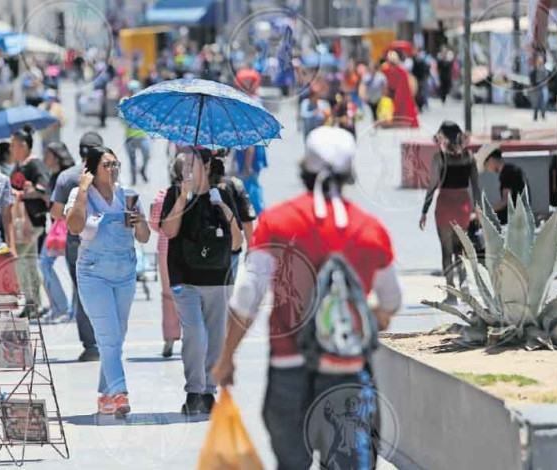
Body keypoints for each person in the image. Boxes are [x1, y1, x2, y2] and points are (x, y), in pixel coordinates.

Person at [212, 126, 402, 470]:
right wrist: (369, 316)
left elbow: (246, 298)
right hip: (346, 376)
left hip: (288, 373)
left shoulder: (277, 222)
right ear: (348, 174)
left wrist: (226, 358)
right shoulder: (371, 230)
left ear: (304, 170)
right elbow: (391, 301)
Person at [65, 146, 151, 418]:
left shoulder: (127, 195)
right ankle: (119, 392)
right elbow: (74, 227)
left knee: (117, 336)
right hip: (93, 273)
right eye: (107, 165)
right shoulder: (81, 195)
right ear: (92, 169)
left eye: (116, 164)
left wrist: (140, 222)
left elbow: (145, 237)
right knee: (108, 336)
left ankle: (104, 396)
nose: (113, 169)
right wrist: (81, 189)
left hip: (124, 272)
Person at [160, 150, 242, 415]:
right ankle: (194, 390)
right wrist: (184, 197)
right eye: (183, 164)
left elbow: (238, 243)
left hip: (218, 279)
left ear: (206, 166)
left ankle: (208, 391)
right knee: (194, 333)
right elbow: (169, 231)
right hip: (185, 278)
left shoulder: (223, 194)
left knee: (216, 338)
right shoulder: (174, 195)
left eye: (191, 164)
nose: (186, 169)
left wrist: (224, 208)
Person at [50, 132, 103, 362]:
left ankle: (90, 345)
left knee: (82, 294)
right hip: (103, 242)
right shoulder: (108, 173)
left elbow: (54, 212)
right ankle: (105, 339)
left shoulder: (66, 177)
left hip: (76, 243)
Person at [420, 121, 481, 304]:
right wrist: (478, 210)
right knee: (461, 250)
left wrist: (424, 211)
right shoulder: (469, 157)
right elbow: (477, 187)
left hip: (445, 205)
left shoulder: (439, 158)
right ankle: (465, 289)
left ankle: (451, 293)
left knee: (446, 252)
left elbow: (431, 186)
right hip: (463, 206)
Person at [9, 125, 52, 318]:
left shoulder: (35, 165)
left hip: (33, 223)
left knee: (30, 264)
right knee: (22, 265)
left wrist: (24, 193)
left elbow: (44, 189)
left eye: (14, 145)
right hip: (19, 223)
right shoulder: (19, 166)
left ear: (24, 146)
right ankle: (29, 301)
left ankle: (36, 302)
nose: (11, 149)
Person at [148, 156, 185, 358]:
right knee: (191, 294)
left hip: (165, 249)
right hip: (190, 250)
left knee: (168, 295)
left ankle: (169, 339)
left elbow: (154, 224)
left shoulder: (163, 195)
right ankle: (192, 336)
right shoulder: (196, 194)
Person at [40, 142, 75, 323]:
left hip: (67, 229)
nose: (44, 158)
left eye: (47, 154)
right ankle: (63, 307)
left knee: (50, 263)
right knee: (47, 264)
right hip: (58, 229)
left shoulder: (65, 177)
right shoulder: (55, 175)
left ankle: (68, 309)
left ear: (55, 156)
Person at [208, 149, 256, 279]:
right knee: (227, 293)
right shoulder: (234, 184)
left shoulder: (197, 185)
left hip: (204, 250)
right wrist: (250, 248)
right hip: (231, 249)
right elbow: (247, 220)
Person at [483, 149, 529, 224]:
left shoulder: (506, 173)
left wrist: (487, 211)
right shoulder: (511, 169)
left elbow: (506, 201)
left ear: (491, 160)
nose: (488, 170)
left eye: (486, 166)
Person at [122, 80, 151, 185]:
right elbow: (122, 117)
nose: (133, 92)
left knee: (147, 155)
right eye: (131, 90)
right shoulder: (124, 101)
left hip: (142, 136)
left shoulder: (144, 101)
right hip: (130, 137)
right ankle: (133, 180)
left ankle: (143, 170)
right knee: (132, 160)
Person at [382, 51, 419, 128]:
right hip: (391, 93)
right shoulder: (386, 69)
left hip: (401, 94)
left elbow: (403, 87)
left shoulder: (402, 71)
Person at [530, 54, 549, 121]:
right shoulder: (534, 69)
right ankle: (535, 116)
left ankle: (543, 114)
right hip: (536, 87)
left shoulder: (544, 69)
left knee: (544, 100)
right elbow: (531, 77)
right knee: (536, 102)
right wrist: (533, 85)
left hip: (543, 87)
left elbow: (547, 78)